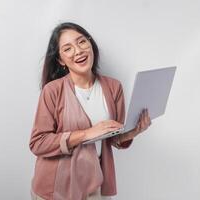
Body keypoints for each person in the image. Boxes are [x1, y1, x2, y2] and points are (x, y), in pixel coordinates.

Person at [29, 22, 151, 200]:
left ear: (90, 44)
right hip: (56, 189)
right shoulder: (52, 91)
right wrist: (86, 134)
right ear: (61, 60)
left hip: (96, 185)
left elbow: (112, 138)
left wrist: (133, 131)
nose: (78, 51)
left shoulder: (113, 87)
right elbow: (38, 143)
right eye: (68, 48)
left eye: (81, 42)